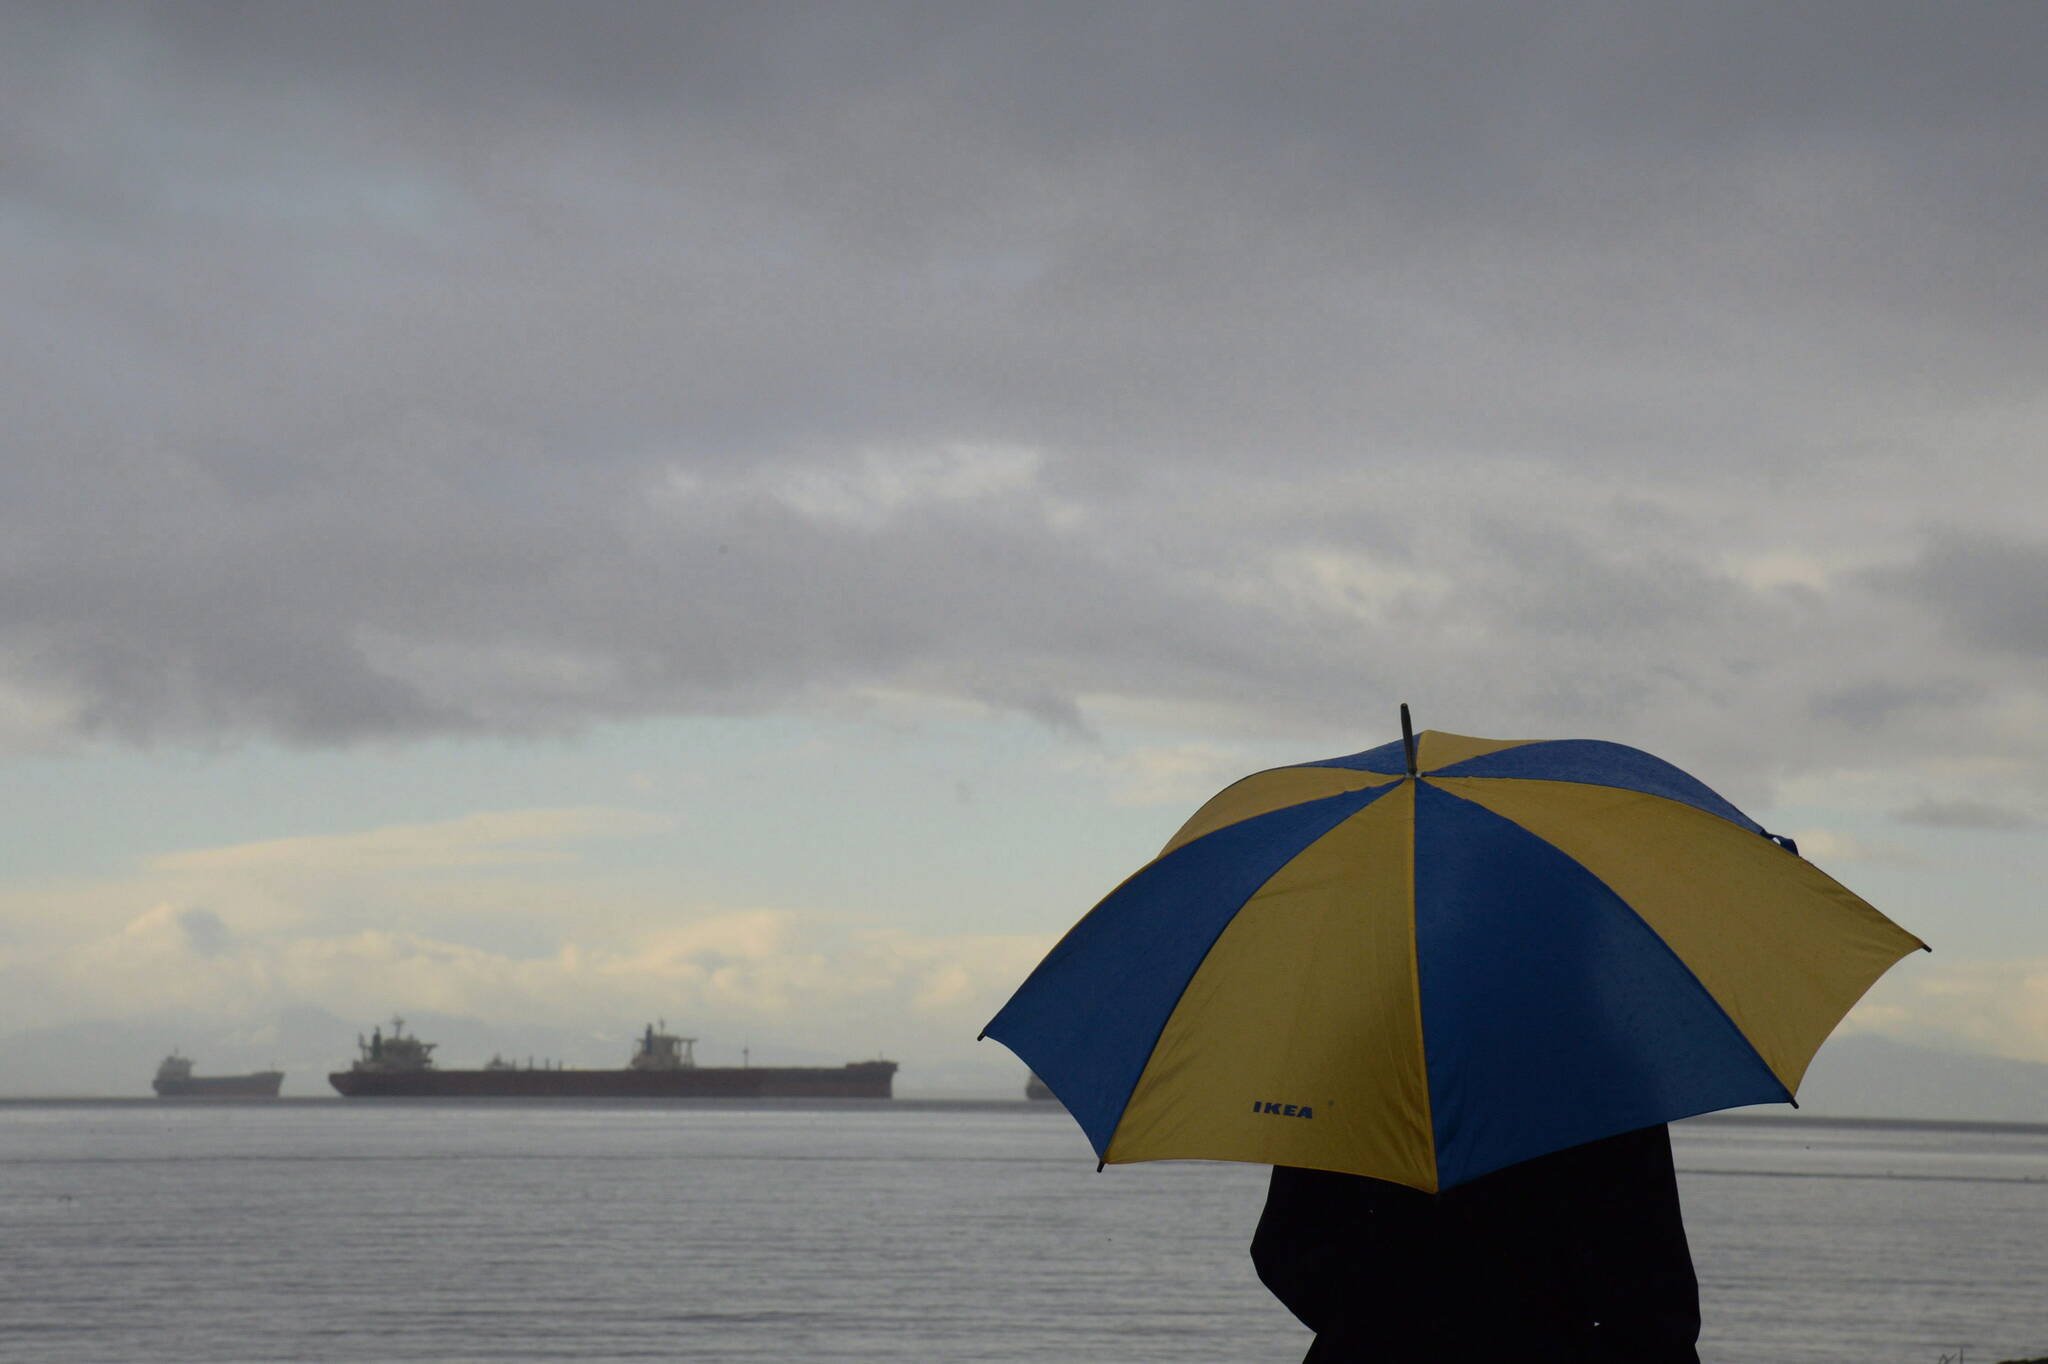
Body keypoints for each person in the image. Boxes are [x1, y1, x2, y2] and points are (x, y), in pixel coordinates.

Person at [1251, 1124, 1700, 1362]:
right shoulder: (1609, 1087)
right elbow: (1654, 1277)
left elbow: (1284, 1245)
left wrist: (1374, 1323)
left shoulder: (1356, 1079)